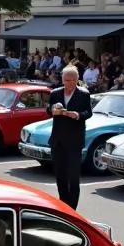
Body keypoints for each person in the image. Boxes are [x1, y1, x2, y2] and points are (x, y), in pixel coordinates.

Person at [46, 64, 92, 210]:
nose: (68, 83)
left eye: (72, 80)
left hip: (74, 141)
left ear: (77, 80)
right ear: (62, 80)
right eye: (66, 80)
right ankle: (63, 206)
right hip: (58, 141)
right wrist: (52, 110)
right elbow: (48, 109)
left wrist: (77, 115)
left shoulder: (83, 94)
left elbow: (88, 113)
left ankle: (72, 209)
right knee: (60, 177)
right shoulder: (55, 93)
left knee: (73, 178)